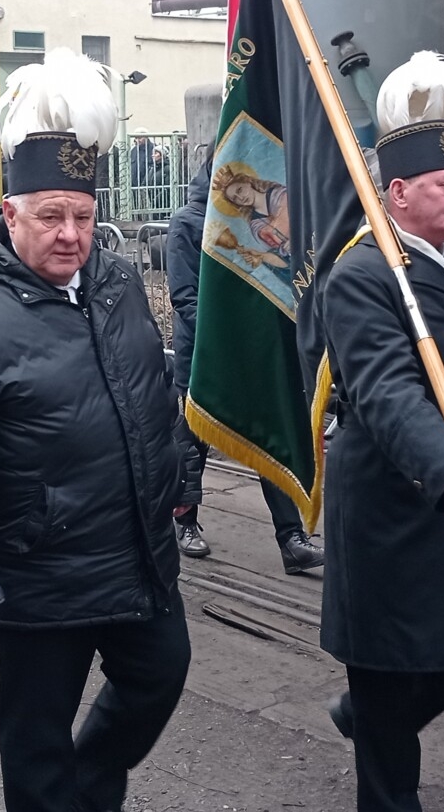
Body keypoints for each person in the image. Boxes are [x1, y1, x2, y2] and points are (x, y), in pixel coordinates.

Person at [0, 49, 188, 812]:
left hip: (136, 547)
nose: (70, 235)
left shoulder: (118, 282)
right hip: (39, 566)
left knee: (161, 672)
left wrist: (178, 479)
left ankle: (88, 793)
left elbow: (150, 390)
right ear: (10, 215)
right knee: (36, 735)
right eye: (51, 217)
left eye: (83, 217)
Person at [315, 53, 444, 812]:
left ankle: (366, 715)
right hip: (395, 508)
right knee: (391, 679)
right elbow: (387, 392)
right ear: (398, 192)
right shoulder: (366, 274)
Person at [166, 147, 324, 573]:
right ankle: (187, 522)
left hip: (255, 353)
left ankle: (291, 539)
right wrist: (226, 340)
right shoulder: (188, 223)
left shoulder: (256, 226)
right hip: (204, 354)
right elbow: (185, 299)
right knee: (192, 443)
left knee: (268, 436)